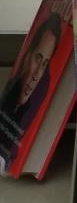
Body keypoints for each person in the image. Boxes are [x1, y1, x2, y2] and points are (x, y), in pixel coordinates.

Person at [0, 13, 61, 168]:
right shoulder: (11, 90)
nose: (36, 76)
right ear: (27, 56)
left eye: (45, 64)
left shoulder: (39, 95)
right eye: (38, 58)